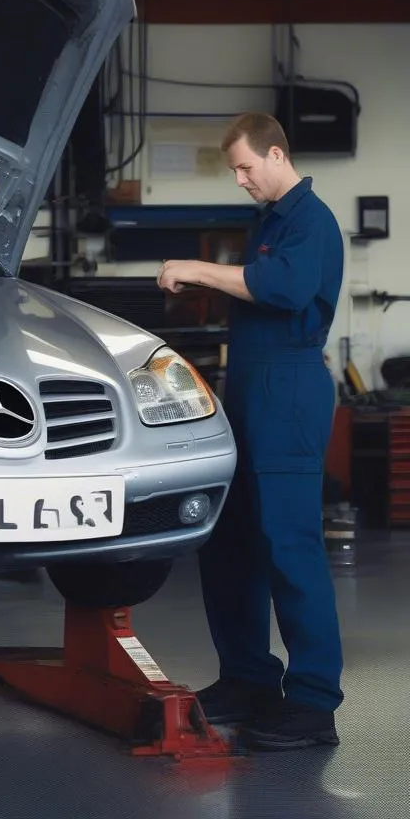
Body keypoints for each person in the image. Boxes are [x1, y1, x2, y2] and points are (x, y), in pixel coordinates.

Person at [157, 111, 344, 751]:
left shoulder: (310, 221)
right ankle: (247, 677)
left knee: (289, 546)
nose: (240, 179)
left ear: (274, 153)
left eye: (244, 166)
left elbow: (285, 291)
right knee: (230, 541)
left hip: (288, 393)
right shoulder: (268, 221)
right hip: (246, 394)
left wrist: (198, 269)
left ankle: (315, 702)